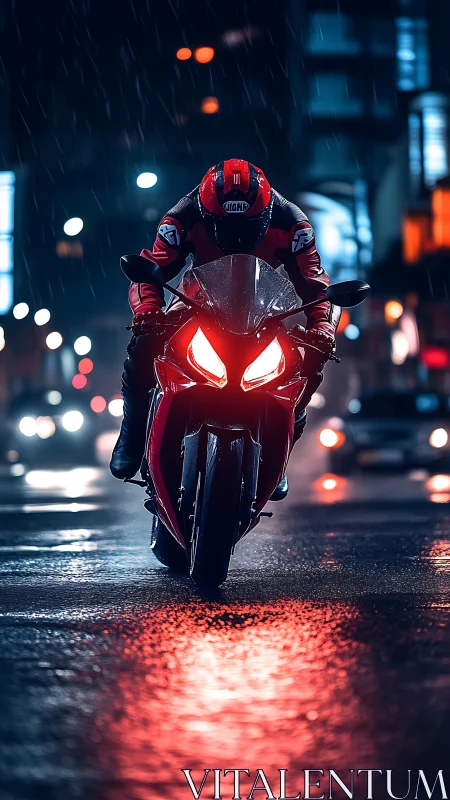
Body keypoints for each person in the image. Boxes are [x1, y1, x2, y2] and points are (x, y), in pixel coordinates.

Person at [110, 158, 341, 499]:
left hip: (263, 312)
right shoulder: (181, 216)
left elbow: (316, 284)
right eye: (225, 224)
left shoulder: (293, 224)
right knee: (143, 346)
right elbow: (152, 267)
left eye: (246, 224)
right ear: (206, 212)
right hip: (197, 305)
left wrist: (322, 327)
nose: (236, 234)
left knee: (309, 361)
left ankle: (280, 450)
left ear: (266, 214)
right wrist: (148, 311)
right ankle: (131, 436)